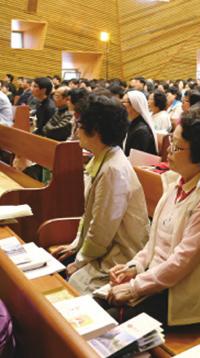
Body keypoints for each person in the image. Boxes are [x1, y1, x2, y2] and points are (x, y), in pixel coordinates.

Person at [106, 109, 200, 326]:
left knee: (110, 323)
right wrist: (134, 267)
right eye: (170, 142)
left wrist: (135, 286)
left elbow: (183, 260)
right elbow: (156, 241)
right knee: (99, 305)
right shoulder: (178, 181)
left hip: (191, 295)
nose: (168, 150)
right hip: (161, 282)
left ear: (199, 154)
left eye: (176, 146)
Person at [51, 94, 150, 294]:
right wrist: (76, 244)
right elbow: (89, 215)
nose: (76, 130)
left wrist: (79, 261)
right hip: (104, 248)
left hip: (119, 255)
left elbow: (102, 228)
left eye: (79, 124)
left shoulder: (113, 169)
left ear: (95, 131)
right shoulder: (102, 158)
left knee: (71, 288)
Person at [123, 90, 158, 156]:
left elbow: (136, 159)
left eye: (124, 102)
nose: (122, 105)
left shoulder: (141, 131)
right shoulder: (131, 123)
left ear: (134, 105)